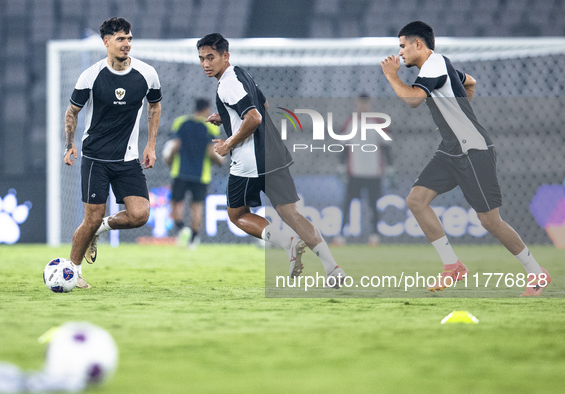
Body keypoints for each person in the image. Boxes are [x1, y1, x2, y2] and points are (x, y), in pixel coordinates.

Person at [381, 21, 550, 296]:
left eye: (402, 46)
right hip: (450, 148)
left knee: (490, 221)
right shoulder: (439, 67)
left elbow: (412, 100)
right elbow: (470, 81)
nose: (399, 53)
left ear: (418, 44)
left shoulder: (434, 65)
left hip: (473, 150)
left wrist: (391, 75)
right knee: (416, 200)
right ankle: (453, 266)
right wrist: (456, 114)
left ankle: (536, 272)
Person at [197, 33, 346, 287]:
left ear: (225, 56)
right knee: (293, 214)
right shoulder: (242, 74)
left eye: (211, 57)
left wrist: (228, 143)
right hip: (274, 153)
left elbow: (253, 118)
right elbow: (262, 104)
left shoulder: (227, 84)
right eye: (201, 59)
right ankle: (333, 269)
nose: (205, 64)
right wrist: (226, 115)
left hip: (249, 160)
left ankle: (286, 242)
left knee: (237, 215)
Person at [63, 17, 162, 288]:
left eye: (129, 38)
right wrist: (69, 143)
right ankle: (72, 270)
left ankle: (100, 230)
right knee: (91, 217)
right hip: (96, 158)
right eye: (120, 39)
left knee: (140, 215)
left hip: (127, 159)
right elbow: (72, 112)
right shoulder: (91, 75)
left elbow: (154, 107)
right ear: (106, 42)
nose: (126, 44)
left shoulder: (146, 74)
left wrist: (151, 145)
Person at [164, 98, 224, 249]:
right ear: (206, 110)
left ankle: (181, 228)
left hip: (180, 171)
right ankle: (194, 239)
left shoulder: (180, 122)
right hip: (201, 174)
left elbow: (175, 145)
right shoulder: (211, 127)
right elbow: (211, 151)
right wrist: (220, 162)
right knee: (196, 206)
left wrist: (169, 160)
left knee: (176, 202)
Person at [334, 94, 393, 247]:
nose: (363, 106)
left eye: (365, 103)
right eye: (360, 103)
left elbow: (387, 147)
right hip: (354, 172)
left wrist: (390, 166)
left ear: (370, 104)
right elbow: (343, 146)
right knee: (347, 204)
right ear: (356, 104)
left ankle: (374, 235)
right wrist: (341, 165)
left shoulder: (379, 123)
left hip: (374, 172)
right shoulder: (350, 123)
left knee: (373, 205)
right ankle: (341, 236)